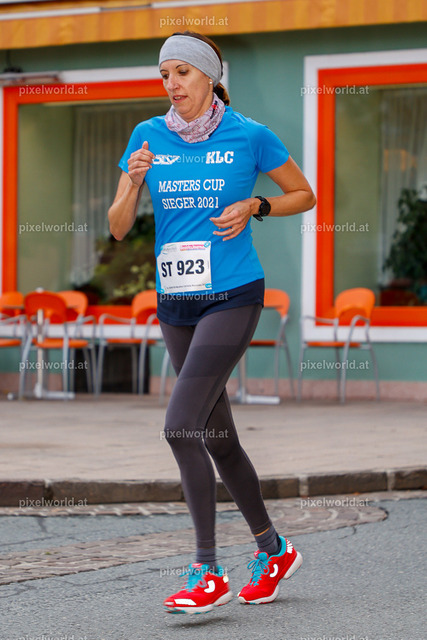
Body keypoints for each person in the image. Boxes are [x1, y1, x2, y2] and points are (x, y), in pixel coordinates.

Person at [108, 31, 316, 615]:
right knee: (218, 438)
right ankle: (273, 550)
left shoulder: (249, 135)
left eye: (182, 72)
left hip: (232, 296)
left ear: (209, 76)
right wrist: (133, 182)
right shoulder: (146, 136)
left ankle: (206, 570)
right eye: (164, 75)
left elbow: (304, 194)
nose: (171, 84)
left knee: (180, 427)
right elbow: (118, 227)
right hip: (175, 302)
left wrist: (257, 205)